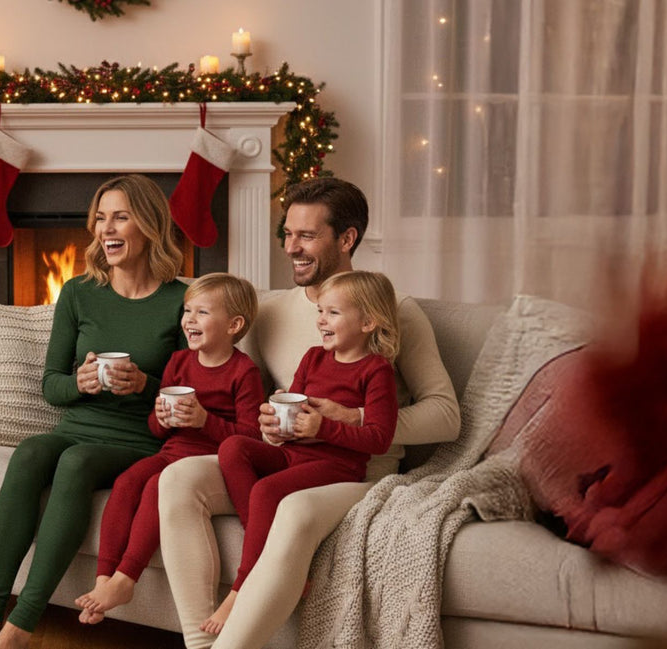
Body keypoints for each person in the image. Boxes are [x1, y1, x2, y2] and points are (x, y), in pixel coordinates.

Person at [156, 178, 462, 649]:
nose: (290, 247)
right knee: (178, 478)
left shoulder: (393, 310)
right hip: (294, 456)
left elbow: (446, 416)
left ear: (346, 239)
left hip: (358, 469)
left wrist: (350, 418)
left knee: (293, 506)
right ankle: (200, 643)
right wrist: (265, 426)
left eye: (306, 236)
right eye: (287, 233)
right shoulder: (271, 310)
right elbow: (232, 381)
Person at [0, 175, 189, 649]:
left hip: (139, 438)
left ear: (149, 225)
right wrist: (81, 383)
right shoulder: (78, 293)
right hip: (78, 423)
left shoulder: (182, 301)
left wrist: (146, 384)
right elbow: (53, 385)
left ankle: (22, 624)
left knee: (76, 462)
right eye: (100, 217)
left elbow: (191, 394)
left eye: (121, 216)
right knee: (29, 452)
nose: (106, 228)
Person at [205, 271, 403, 633]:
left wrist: (324, 427)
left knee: (266, 490)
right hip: (294, 454)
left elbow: (379, 439)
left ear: (368, 321)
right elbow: (291, 405)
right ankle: (265, 548)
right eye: (320, 312)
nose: (321, 321)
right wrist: (273, 426)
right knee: (233, 447)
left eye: (333, 313)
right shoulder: (313, 358)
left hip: (338, 466)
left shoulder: (377, 371)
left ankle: (241, 587)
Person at [75, 273, 266, 624]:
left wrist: (204, 420)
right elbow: (156, 427)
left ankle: (126, 578)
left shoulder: (244, 372)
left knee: (153, 488)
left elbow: (252, 439)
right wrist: (161, 418)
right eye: (187, 311)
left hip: (208, 465)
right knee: (127, 482)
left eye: (202, 313)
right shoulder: (179, 363)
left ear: (234, 324)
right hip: (171, 453)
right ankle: (104, 580)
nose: (189, 320)